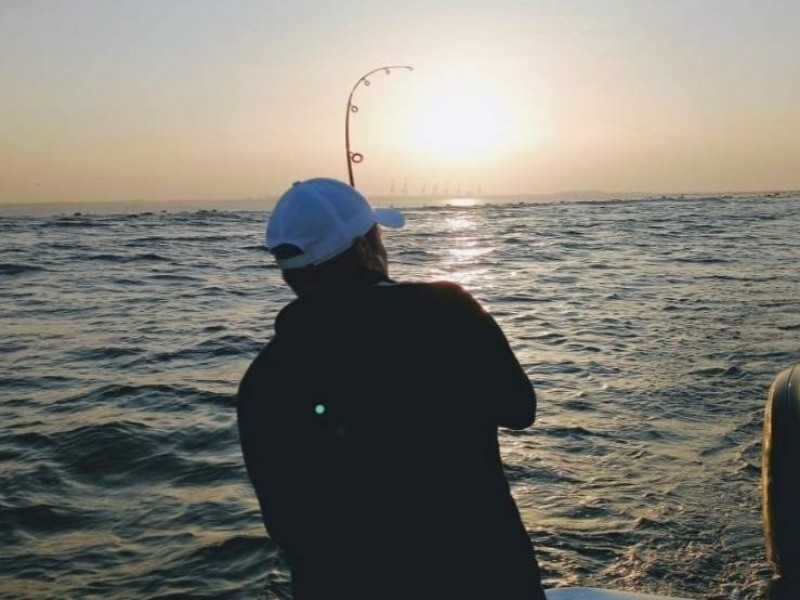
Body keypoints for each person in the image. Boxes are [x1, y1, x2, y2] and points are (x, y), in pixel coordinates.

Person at [237, 177, 546, 600]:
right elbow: (519, 409)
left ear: (290, 273)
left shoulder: (263, 379)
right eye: (377, 235)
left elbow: (286, 523)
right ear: (365, 248)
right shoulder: (447, 311)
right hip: (485, 577)